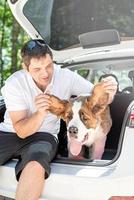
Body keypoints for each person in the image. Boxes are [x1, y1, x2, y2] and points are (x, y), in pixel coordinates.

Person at [0, 39, 117, 200]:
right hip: (10, 132)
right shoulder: (15, 83)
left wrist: (110, 91)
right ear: (25, 68)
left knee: (35, 165)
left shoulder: (66, 76)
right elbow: (21, 131)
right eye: (37, 69)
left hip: (44, 136)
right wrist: (41, 113)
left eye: (49, 66)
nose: (45, 73)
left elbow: (98, 98)